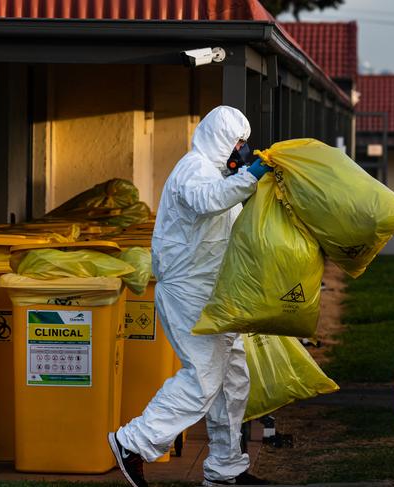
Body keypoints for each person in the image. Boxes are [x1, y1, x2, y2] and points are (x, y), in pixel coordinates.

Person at [108, 106, 271, 487]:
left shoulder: (216, 174)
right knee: (201, 379)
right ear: (219, 138)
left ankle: (226, 469)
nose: (240, 151)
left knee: (232, 380)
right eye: (237, 143)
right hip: (187, 292)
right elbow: (208, 200)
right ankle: (133, 441)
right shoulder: (193, 170)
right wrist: (250, 177)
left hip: (212, 293)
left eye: (244, 145)